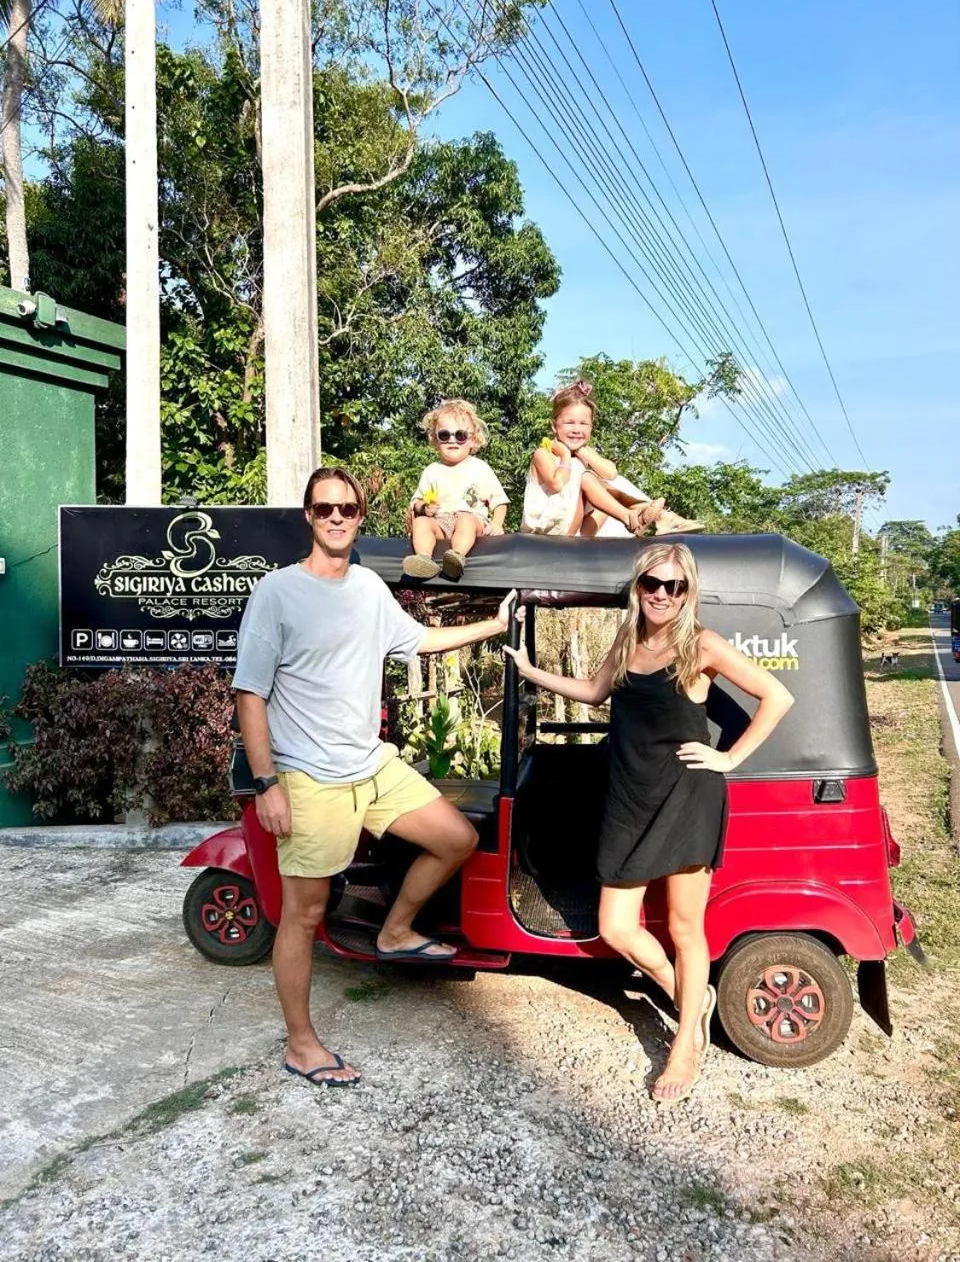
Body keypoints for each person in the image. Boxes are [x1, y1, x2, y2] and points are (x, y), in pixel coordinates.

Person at [233, 465, 519, 1088]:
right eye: (323, 508)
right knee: (303, 916)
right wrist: (267, 785)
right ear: (308, 516)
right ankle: (301, 1044)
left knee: (456, 838)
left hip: (371, 765)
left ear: (361, 517)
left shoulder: (366, 587)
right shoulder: (276, 593)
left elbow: (417, 642)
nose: (336, 517)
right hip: (309, 777)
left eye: (347, 509)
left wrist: (495, 627)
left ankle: (395, 930)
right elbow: (250, 694)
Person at [504, 542, 793, 1102]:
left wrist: (729, 758)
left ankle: (685, 1041)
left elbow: (775, 697)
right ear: (638, 587)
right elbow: (592, 691)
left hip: (686, 796)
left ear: (688, 593)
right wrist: (531, 671)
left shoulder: (701, 645)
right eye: (652, 584)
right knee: (615, 927)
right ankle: (689, 996)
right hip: (629, 797)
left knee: (687, 929)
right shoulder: (627, 639)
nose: (662, 594)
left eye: (674, 586)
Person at [521, 380, 704, 537]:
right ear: (554, 427)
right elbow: (556, 484)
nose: (577, 429)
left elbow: (611, 474)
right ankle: (631, 518)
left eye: (584, 424)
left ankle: (661, 517)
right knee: (585, 477)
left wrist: (584, 453)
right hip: (548, 530)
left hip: (577, 530)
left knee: (611, 482)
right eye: (570, 423)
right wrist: (565, 455)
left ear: (592, 428)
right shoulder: (543, 454)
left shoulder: (583, 455)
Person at [403, 399, 510, 582]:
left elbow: (499, 501)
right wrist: (424, 509)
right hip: (441, 521)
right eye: (444, 435)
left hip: (472, 518)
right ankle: (423, 559)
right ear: (435, 440)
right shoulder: (432, 470)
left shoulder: (480, 468)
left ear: (473, 440)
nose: (452, 440)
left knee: (465, 520)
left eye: (460, 435)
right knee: (421, 522)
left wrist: (497, 523)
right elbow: (417, 502)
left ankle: (456, 557)